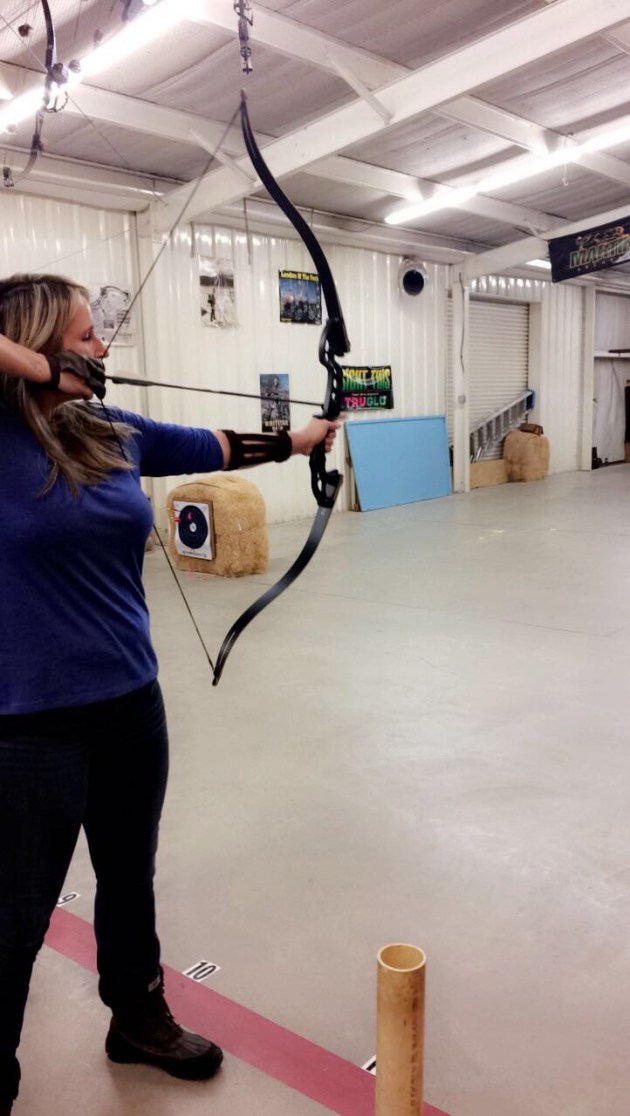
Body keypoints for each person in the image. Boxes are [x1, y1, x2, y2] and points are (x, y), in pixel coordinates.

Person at [0, 273, 340, 1114]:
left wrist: (299, 440)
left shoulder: (108, 430)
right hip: (26, 726)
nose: (101, 347)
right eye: (84, 335)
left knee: (130, 874)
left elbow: (211, 444)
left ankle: (138, 1017)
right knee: (14, 909)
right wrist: (39, 373)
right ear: (34, 344)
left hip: (128, 705)